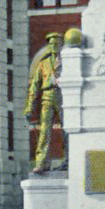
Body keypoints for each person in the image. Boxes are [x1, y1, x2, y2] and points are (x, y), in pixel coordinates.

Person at [23, 32, 67, 175]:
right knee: (44, 131)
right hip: (47, 96)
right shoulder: (43, 64)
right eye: (51, 43)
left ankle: (69, 160)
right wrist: (29, 106)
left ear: (61, 45)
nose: (54, 46)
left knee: (67, 130)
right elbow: (34, 86)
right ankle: (42, 163)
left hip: (64, 96)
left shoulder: (68, 61)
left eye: (57, 43)